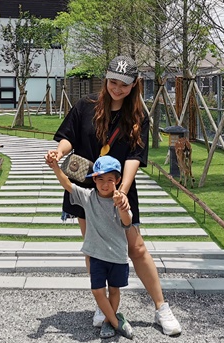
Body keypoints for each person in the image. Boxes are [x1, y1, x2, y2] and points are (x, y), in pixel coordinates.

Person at [45, 55, 182, 337]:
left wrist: (123, 189)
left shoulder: (138, 117)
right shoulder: (86, 106)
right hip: (86, 187)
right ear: (106, 79)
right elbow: (69, 135)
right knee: (93, 246)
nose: (117, 88)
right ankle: (103, 305)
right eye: (112, 82)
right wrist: (60, 151)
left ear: (133, 86)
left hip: (119, 190)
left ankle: (161, 306)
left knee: (137, 248)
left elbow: (134, 156)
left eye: (123, 84)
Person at [48, 155, 135, 339]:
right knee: (97, 290)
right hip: (96, 254)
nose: (105, 184)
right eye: (100, 179)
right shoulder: (88, 197)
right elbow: (67, 184)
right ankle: (117, 322)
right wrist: (55, 166)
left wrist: (122, 206)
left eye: (110, 180)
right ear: (94, 179)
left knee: (114, 290)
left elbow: (127, 222)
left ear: (117, 180)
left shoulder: (120, 200)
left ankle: (107, 323)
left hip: (117, 255)